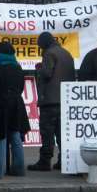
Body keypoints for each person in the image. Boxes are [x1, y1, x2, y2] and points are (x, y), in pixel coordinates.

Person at [28, 32, 75, 171]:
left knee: (47, 132)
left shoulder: (49, 53)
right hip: (65, 99)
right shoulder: (66, 53)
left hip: (50, 100)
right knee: (62, 133)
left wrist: (39, 69)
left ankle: (44, 161)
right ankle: (64, 161)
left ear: (44, 43)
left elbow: (47, 73)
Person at [0, 41, 30, 179]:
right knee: (15, 135)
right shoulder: (17, 67)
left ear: (0, 53)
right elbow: (21, 87)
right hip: (16, 103)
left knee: (1, 135)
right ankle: (19, 169)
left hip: (0, 104)